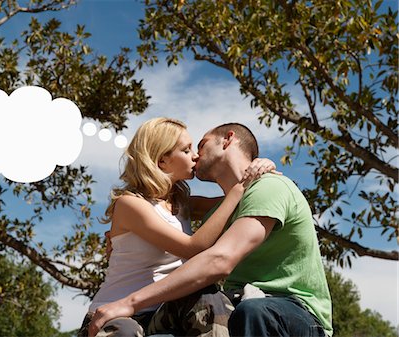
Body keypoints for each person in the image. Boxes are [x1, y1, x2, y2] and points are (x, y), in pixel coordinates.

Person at [88, 122, 333, 337]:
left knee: (229, 304)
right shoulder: (137, 204)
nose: (195, 155)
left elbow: (222, 251)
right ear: (162, 158)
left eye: (200, 145)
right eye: (187, 150)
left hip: (286, 309)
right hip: (132, 310)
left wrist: (261, 167)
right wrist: (240, 187)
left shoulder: (260, 191)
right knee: (225, 305)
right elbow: (196, 245)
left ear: (228, 139)